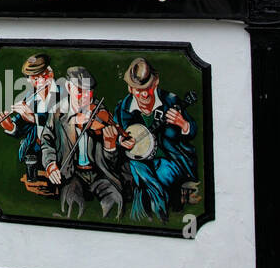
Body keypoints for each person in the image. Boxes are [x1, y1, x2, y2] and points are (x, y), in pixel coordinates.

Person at [112, 57, 196, 222]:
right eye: (138, 89)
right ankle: (159, 216)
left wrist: (183, 124)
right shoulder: (123, 108)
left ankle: (143, 217)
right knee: (137, 166)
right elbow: (116, 136)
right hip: (138, 164)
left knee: (156, 173)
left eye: (148, 88)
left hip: (169, 161)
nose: (144, 94)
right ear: (130, 88)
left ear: (155, 82)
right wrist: (122, 142)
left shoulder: (170, 101)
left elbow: (192, 130)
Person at [39, 66, 124, 219]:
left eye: (89, 92)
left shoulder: (100, 112)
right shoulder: (58, 113)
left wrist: (110, 147)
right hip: (72, 174)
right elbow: (46, 141)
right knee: (72, 204)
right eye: (79, 91)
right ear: (68, 87)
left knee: (115, 201)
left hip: (99, 174)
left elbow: (113, 163)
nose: (85, 97)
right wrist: (51, 164)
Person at [0, 53, 59, 195]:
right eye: (35, 79)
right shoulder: (31, 98)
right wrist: (11, 126)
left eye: (43, 77)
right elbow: (21, 126)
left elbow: (59, 127)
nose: (39, 83)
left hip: (56, 157)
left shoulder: (62, 97)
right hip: (34, 156)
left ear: (50, 74)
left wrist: (33, 118)